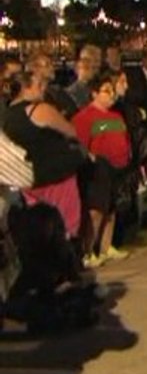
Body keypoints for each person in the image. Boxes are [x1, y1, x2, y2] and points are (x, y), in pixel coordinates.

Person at [2, 70, 88, 252]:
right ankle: (68, 262)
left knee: (40, 227)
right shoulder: (39, 109)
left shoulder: (7, 116)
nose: (44, 90)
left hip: (29, 178)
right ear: (25, 88)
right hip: (56, 175)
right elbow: (71, 130)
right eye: (39, 86)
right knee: (66, 223)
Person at [73, 72, 133, 267]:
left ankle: (106, 247)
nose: (111, 95)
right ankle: (88, 251)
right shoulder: (84, 117)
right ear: (94, 94)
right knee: (96, 210)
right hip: (98, 169)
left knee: (111, 209)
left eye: (112, 91)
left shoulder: (116, 115)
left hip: (118, 168)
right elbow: (79, 144)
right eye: (106, 92)